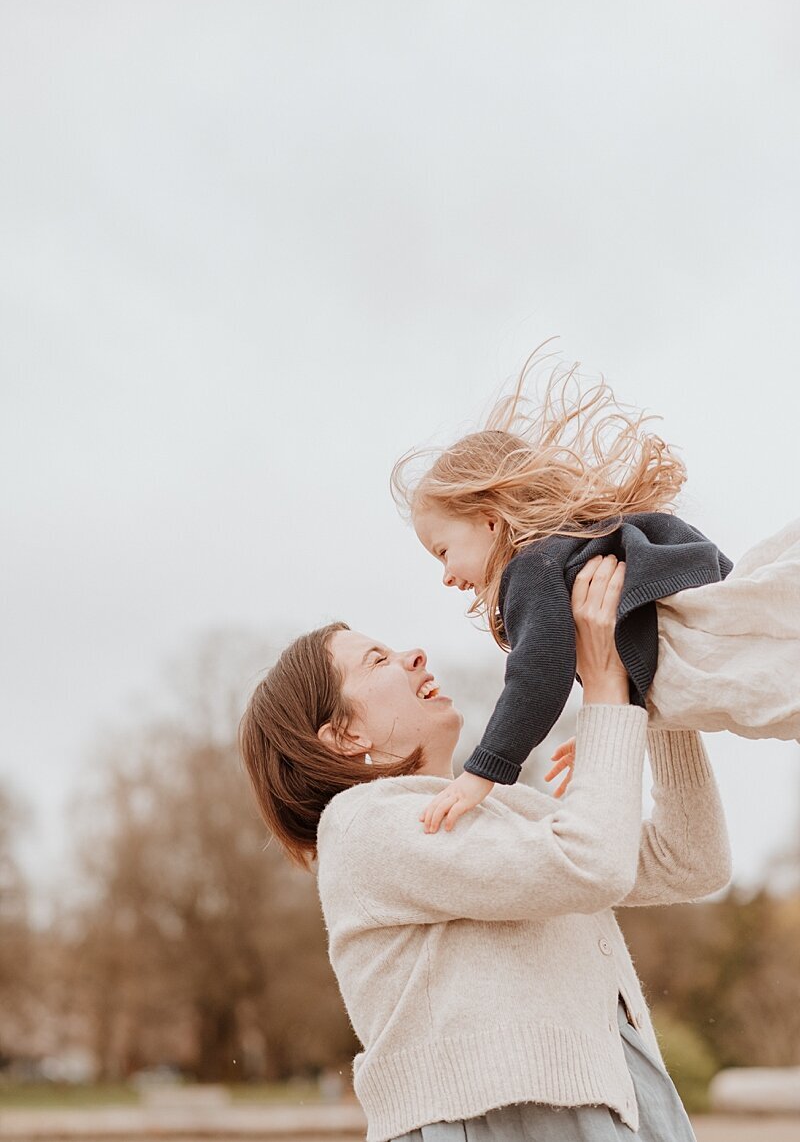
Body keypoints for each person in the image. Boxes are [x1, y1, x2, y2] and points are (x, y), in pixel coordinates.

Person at [238, 556, 731, 1142]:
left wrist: (650, 699)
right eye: (378, 660)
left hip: (615, 1097)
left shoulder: (506, 812)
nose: (414, 654)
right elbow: (591, 864)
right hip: (504, 1118)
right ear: (346, 735)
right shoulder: (363, 825)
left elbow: (691, 862)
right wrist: (602, 688)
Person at [392, 351, 800, 831]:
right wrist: (613, 720)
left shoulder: (530, 564)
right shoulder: (572, 548)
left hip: (702, 658)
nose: (445, 576)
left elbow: (537, 673)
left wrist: (483, 772)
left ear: (490, 521)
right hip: (708, 643)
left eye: (443, 552)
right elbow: (636, 628)